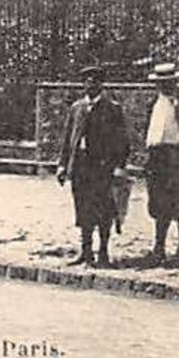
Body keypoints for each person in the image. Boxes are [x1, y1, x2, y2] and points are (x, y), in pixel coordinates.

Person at [57, 64, 130, 267]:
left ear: (101, 84)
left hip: (102, 168)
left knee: (104, 210)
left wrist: (118, 166)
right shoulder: (76, 108)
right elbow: (67, 140)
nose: (90, 84)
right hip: (80, 166)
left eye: (95, 81)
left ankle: (103, 252)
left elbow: (122, 142)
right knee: (83, 208)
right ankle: (86, 252)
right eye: (87, 81)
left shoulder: (112, 109)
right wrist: (62, 166)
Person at [143, 63, 179, 265]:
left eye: (167, 82)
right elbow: (148, 133)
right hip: (157, 158)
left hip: (177, 158)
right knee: (159, 203)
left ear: (175, 82)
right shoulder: (153, 103)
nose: (163, 86)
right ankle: (159, 248)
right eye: (159, 83)